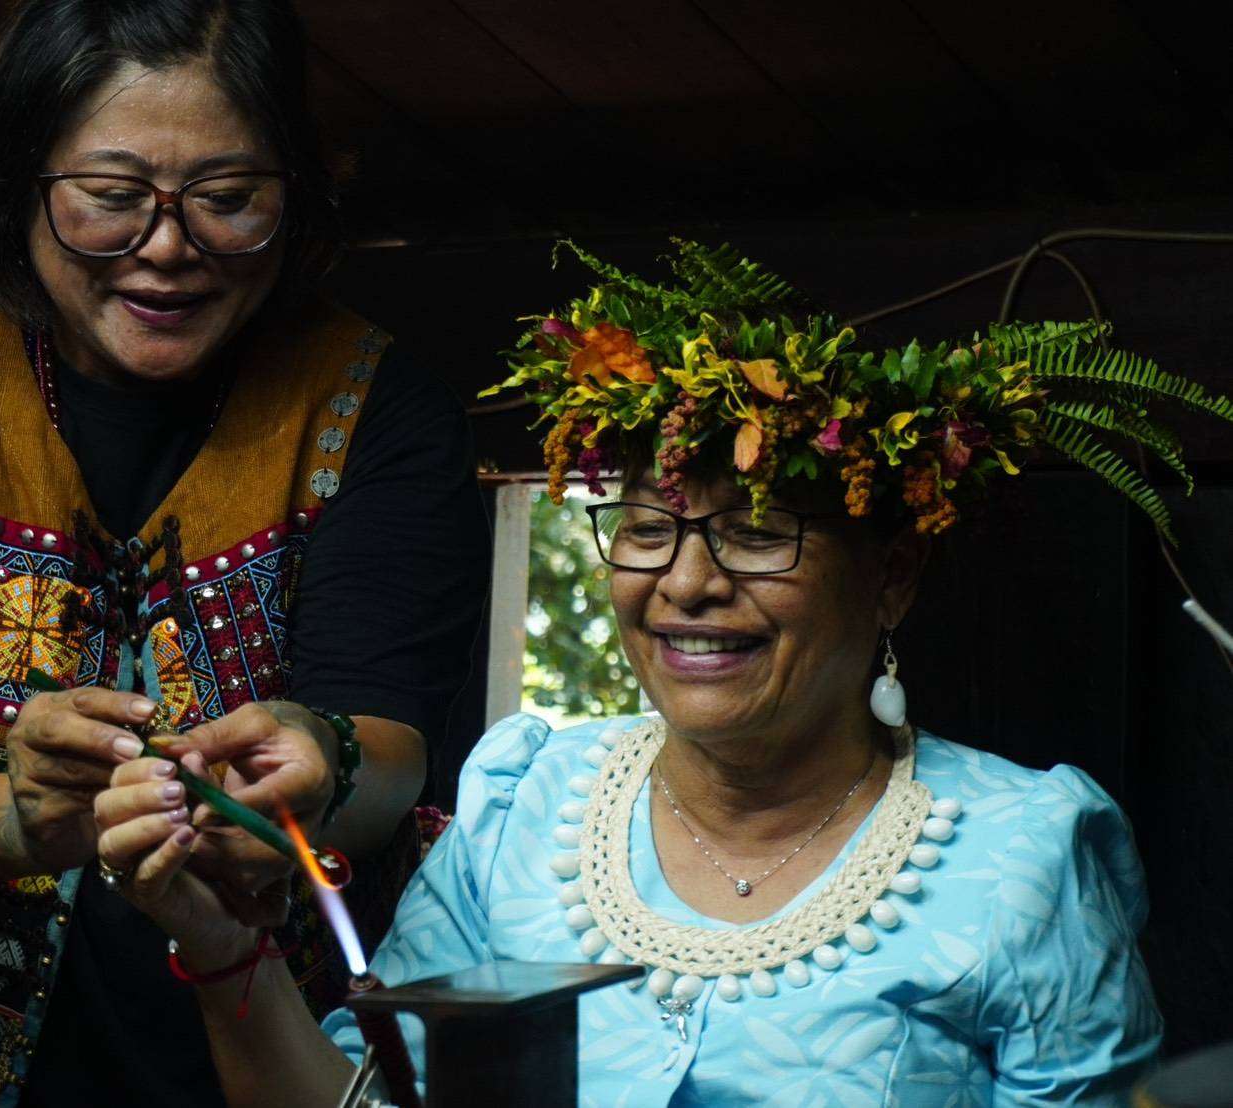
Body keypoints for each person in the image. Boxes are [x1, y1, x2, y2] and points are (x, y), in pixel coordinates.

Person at [91, 241, 1211, 1104]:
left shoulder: (1021, 855)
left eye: (759, 532)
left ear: (893, 575)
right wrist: (220, 936)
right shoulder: (524, 805)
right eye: (646, 526)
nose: (686, 585)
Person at [0, 2, 488, 1105]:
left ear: (296, 194)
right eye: (109, 199)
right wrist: (21, 814)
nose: (166, 247)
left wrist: (321, 760)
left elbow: (391, 746)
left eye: (228, 200)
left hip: (291, 1057)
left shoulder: (380, 409)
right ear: (18, 184)